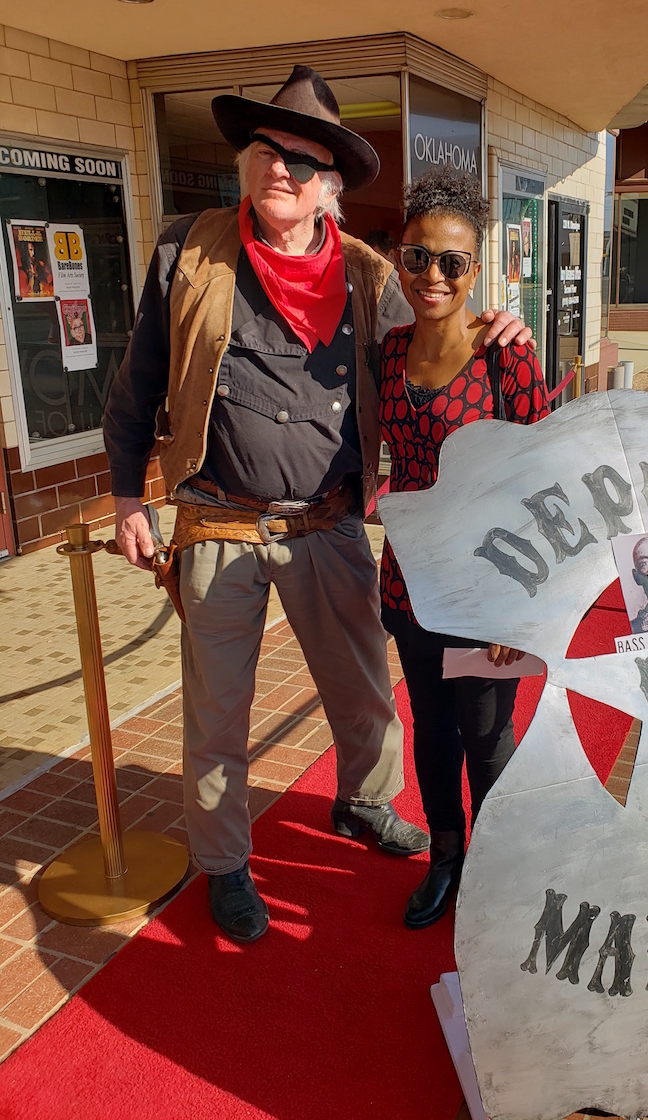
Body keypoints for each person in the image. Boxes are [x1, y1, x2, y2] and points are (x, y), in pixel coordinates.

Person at [102, 67, 531, 944]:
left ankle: (364, 807)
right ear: (245, 159)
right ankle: (224, 863)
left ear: (330, 185)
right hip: (220, 517)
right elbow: (139, 379)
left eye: (304, 159)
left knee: (365, 695)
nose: (282, 169)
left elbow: (433, 346)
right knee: (216, 710)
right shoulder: (189, 251)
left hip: (329, 519)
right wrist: (125, 496)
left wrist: (503, 329)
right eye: (268, 149)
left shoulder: (375, 274)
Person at [379, 167, 549, 929]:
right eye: (418, 257)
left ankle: (499, 873)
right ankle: (445, 855)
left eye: (451, 262)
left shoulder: (504, 355)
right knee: (433, 730)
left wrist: (520, 612)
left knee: (487, 740)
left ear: (475, 270)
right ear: (399, 259)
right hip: (410, 585)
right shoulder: (386, 353)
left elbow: (542, 481)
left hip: (488, 592)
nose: (433, 276)